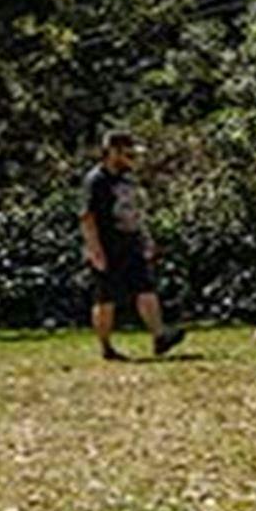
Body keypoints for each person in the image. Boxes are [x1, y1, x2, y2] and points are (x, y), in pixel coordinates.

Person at [80, 129, 186, 362]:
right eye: (128, 153)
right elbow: (88, 217)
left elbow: (135, 213)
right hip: (107, 245)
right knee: (105, 299)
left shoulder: (127, 179)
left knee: (145, 288)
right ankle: (106, 348)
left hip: (131, 242)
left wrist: (146, 239)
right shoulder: (97, 180)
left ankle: (160, 336)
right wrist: (95, 250)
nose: (132, 158)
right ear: (113, 152)